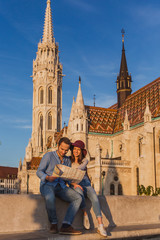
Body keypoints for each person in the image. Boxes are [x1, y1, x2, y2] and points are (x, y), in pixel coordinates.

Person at [36, 137, 82, 235]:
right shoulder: (48, 156)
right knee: (50, 197)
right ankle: (54, 223)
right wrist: (47, 177)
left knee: (77, 198)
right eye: (62, 149)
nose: (64, 152)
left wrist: (73, 183)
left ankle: (66, 225)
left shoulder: (67, 160)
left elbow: (67, 177)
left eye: (66, 150)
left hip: (60, 186)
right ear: (58, 146)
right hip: (47, 184)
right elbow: (39, 172)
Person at [70, 140, 107, 237]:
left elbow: (80, 168)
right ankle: (85, 213)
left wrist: (72, 171)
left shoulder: (85, 160)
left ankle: (100, 224)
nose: (76, 151)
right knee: (79, 193)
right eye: (74, 149)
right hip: (75, 183)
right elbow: (67, 176)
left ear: (82, 151)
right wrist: (74, 183)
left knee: (94, 197)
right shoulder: (68, 161)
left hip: (85, 183)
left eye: (78, 149)